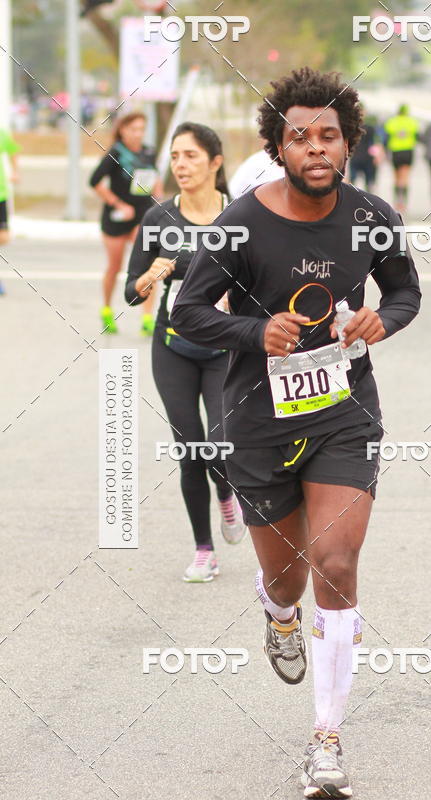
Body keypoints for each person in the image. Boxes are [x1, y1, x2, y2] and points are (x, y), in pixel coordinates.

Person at [171, 68, 421, 799]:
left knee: (335, 565)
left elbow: (402, 288)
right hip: (256, 421)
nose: (316, 148)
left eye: (329, 137)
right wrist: (256, 329)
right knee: (286, 577)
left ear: (348, 143)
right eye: (300, 137)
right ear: (278, 147)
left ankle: (326, 740)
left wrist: (385, 318)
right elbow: (187, 312)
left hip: (344, 414)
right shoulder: (241, 222)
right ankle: (278, 613)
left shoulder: (373, 215)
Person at [125, 122, 246, 582]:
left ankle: (227, 494)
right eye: (175, 156)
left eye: (191, 156)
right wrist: (147, 279)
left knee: (219, 444)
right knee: (189, 447)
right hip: (173, 347)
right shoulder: (158, 219)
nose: (181, 165)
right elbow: (131, 295)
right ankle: (203, 549)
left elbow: (260, 286)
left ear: (215, 163)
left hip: (224, 349)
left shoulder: (240, 216)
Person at [90, 112, 163, 335]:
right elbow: (94, 182)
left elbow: (155, 178)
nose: (138, 134)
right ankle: (106, 310)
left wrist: (159, 201)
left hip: (142, 215)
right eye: (133, 129)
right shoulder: (115, 153)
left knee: (150, 266)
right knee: (115, 266)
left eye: (141, 129)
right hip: (116, 218)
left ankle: (148, 318)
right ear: (123, 130)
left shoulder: (148, 152)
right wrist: (118, 204)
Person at [384, 103, 419, 212]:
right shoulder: (412, 122)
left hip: (395, 151)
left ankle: (396, 202)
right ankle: (404, 202)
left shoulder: (392, 122)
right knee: (405, 178)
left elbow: (387, 138)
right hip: (408, 151)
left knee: (396, 178)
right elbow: (417, 137)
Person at [0, 127, 21, 296]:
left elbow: (13, 151)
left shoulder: (2, 134)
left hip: (1, 194)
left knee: (4, 237)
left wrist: (15, 172)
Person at [349, 113, 379, 192]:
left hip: (355, 156)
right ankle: (368, 200)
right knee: (368, 182)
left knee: (352, 181)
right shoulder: (370, 128)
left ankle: (350, 197)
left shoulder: (352, 128)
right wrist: (376, 156)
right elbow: (373, 144)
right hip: (367, 157)